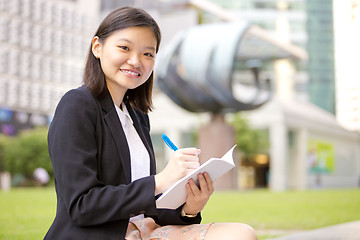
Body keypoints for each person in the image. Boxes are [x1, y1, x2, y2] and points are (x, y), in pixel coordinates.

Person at [44, 7, 257, 240]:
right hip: (99, 234)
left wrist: (189, 208)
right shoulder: (77, 105)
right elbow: (81, 205)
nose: (136, 61)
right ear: (98, 47)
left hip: (142, 231)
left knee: (241, 233)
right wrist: (160, 181)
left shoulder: (137, 116)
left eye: (148, 54)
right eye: (124, 48)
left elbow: (143, 205)